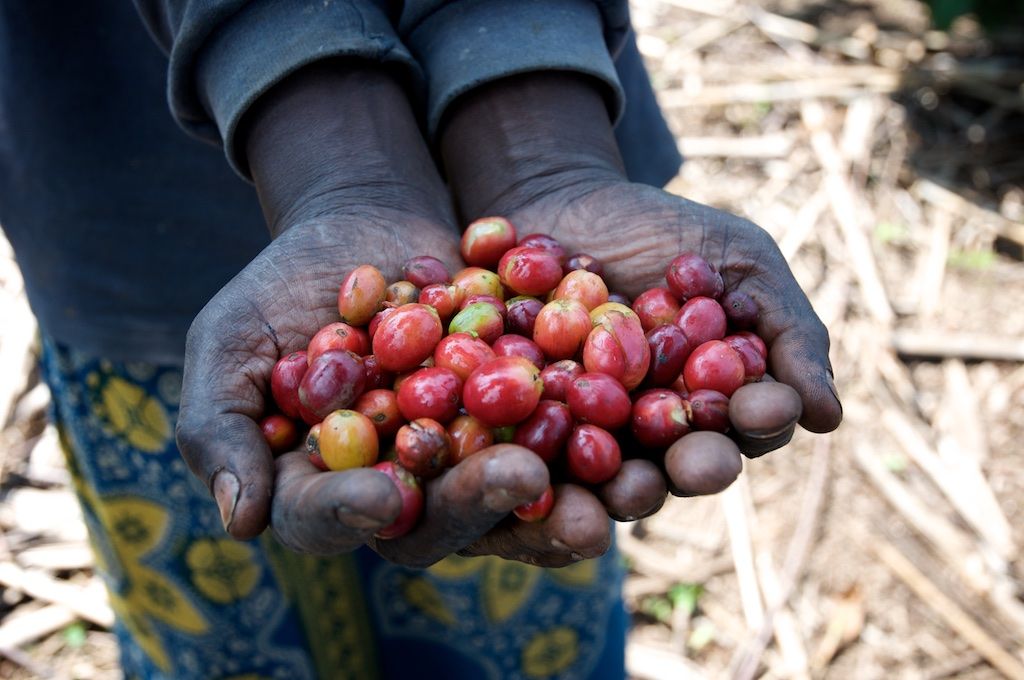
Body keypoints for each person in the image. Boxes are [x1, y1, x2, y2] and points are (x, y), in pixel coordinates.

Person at [0, 1, 842, 677]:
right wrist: (337, 158)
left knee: (516, 606)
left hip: (536, 115)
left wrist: (534, 133)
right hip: (138, 199)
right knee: (228, 622)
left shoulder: (538, 330)